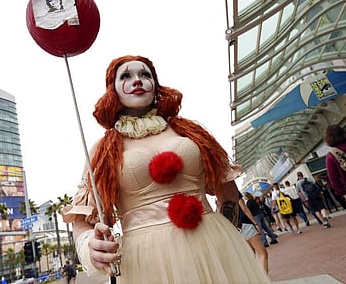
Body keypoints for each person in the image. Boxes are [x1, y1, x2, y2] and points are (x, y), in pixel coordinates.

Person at [62, 55, 270, 283]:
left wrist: (224, 233)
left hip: (215, 247)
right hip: (147, 263)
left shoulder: (190, 133)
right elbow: (82, 220)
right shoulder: (102, 151)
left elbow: (226, 189)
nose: (137, 80)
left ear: (156, 85)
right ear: (113, 90)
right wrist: (89, 246)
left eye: (145, 74)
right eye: (126, 76)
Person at [238, 193, 270, 275]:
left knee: (250, 257)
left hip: (236, 228)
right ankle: (264, 280)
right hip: (246, 224)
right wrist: (255, 223)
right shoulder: (231, 188)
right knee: (262, 254)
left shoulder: (218, 192)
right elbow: (244, 208)